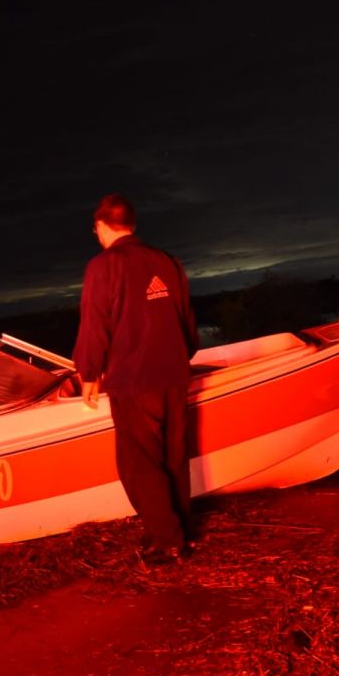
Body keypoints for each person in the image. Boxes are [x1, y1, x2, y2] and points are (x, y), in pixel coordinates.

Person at [73, 193, 199, 566]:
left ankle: (167, 540)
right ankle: (181, 530)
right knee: (174, 456)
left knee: (140, 462)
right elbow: (186, 320)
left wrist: (89, 372)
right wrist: (180, 356)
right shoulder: (167, 261)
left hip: (133, 378)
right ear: (132, 225)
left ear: (99, 227)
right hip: (174, 375)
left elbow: (95, 324)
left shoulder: (103, 266)